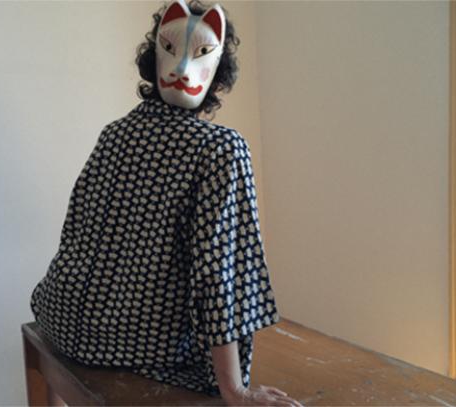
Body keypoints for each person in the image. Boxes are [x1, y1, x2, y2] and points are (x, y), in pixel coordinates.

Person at [30, 1, 303, 406]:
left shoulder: (114, 134)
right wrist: (235, 390)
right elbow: (218, 274)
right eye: (172, 50)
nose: (181, 68)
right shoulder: (220, 148)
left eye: (200, 53)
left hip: (61, 318)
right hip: (134, 345)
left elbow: (75, 236)